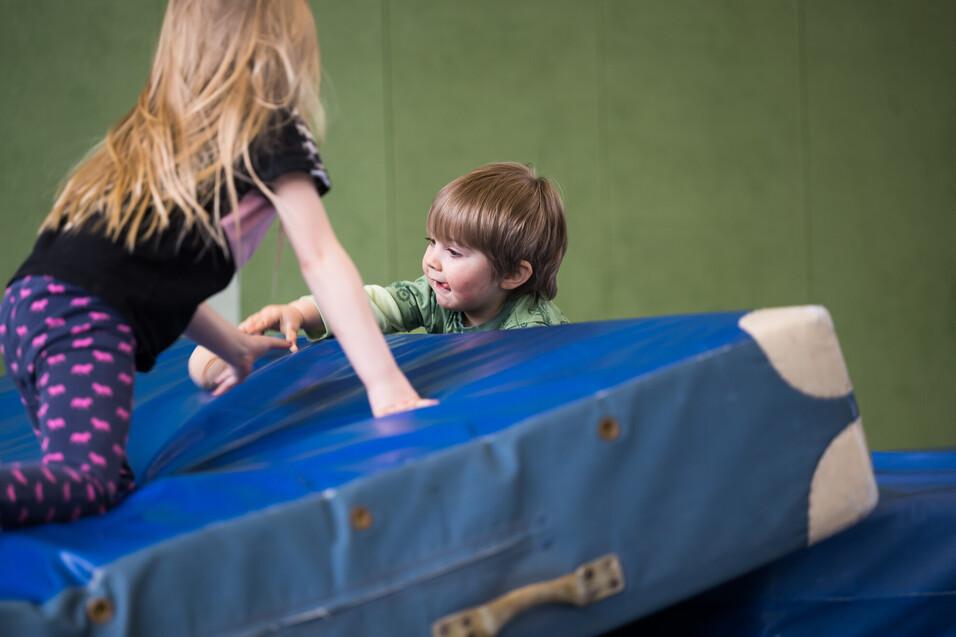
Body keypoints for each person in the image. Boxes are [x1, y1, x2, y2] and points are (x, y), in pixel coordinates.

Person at [0, 0, 431, 530]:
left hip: (25, 308)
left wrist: (233, 346)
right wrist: (386, 384)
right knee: (86, 484)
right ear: (282, 47)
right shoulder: (272, 130)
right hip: (80, 318)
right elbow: (320, 257)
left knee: (103, 487)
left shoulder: (151, 134)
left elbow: (145, 283)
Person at [189, 162, 569, 389]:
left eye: (454, 252)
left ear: (513, 274)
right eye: (432, 243)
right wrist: (298, 313)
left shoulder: (532, 333)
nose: (432, 262)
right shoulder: (434, 297)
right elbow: (372, 306)